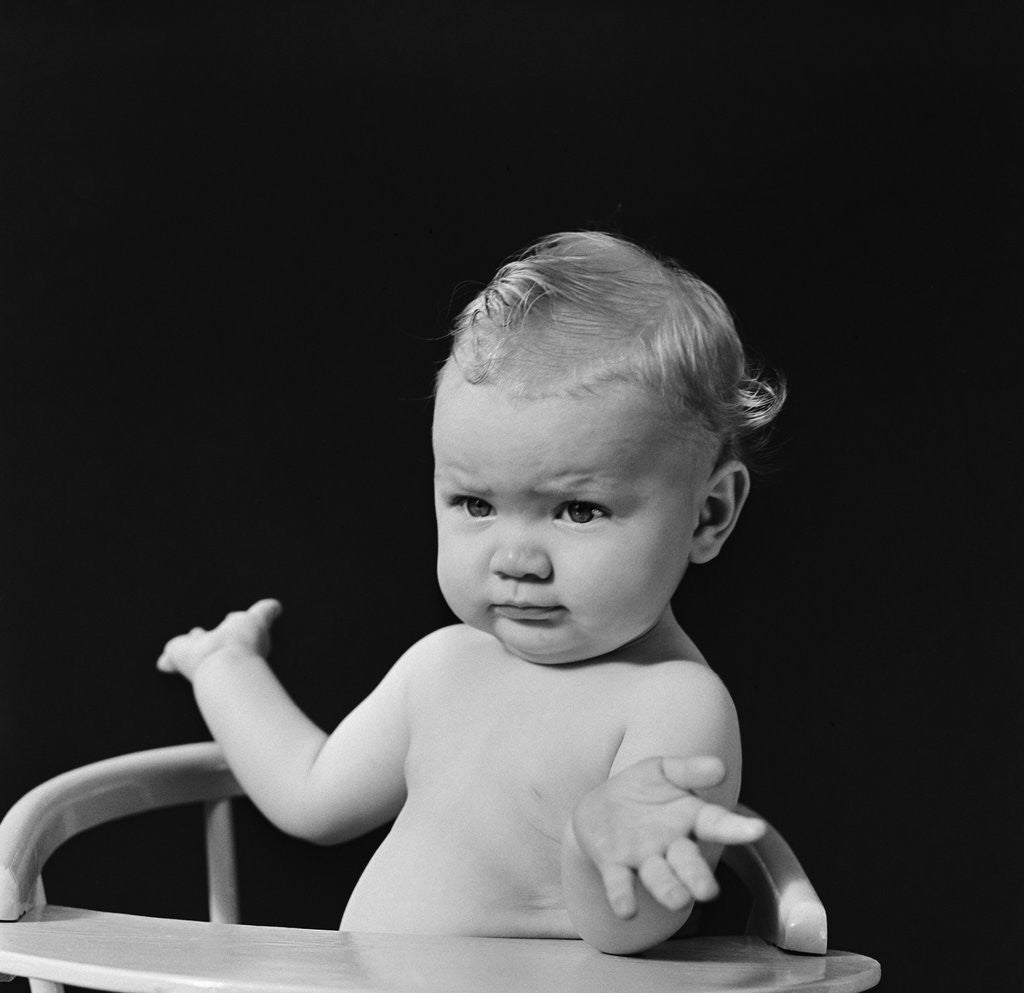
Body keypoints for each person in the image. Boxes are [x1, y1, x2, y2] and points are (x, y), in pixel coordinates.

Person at [157, 231, 785, 955]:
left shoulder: (672, 701)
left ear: (708, 514)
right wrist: (225, 667)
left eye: (578, 510)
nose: (516, 558)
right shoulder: (444, 665)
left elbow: (627, 931)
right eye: (475, 504)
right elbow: (310, 795)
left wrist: (596, 841)